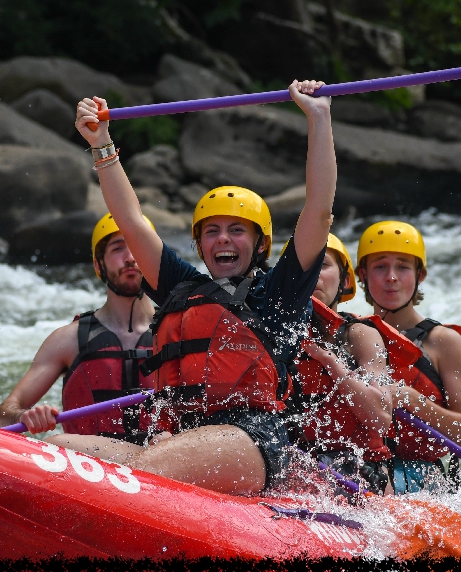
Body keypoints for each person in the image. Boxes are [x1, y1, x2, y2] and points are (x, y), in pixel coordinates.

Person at [59, 78, 336, 496]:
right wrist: (102, 144)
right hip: (179, 443)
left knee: (146, 470)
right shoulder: (179, 287)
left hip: (249, 441)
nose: (223, 239)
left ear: (261, 243)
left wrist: (319, 119)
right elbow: (131, 220)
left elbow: (318, 212)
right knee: (56, 446)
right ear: (200, 244)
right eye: (212, 231)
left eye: (236, 230)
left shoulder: (278, 293)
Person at [0, 214, 157, 443]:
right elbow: (1, 417)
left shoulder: (178, 331)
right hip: (93, 464)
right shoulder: (68, 340)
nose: (130, 257)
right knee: (55, 443)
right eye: (118, 248)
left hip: (162, 459)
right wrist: (25, 416)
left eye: (137, 245)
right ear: (99, 264)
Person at [355, 221, 461, 493]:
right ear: (363, 274)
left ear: (421, 275)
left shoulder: (443, 342)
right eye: (380, 266)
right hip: (362, 469)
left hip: (421, 476)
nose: (391, 277)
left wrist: (410, 399)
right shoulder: (350, 335)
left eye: (403, 267)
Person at [287, 234, 394, 495]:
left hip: (359, 473)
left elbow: (380, 419)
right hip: (298, 469)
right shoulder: (276, 335)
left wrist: (331, 362)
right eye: (302, 267)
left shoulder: (360, 335)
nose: (312, 275)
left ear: (345, 280)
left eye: (322, 265)